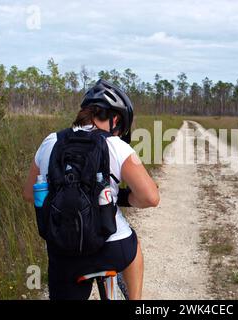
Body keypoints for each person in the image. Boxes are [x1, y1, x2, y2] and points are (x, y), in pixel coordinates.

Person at [22, 79, 159, 300]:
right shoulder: (117, 146)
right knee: (133, 247)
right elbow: (151, 198)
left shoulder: (50, 141)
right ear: (115, 119)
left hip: (64, 253)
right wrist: (124, 198)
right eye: (121, 126)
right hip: (113, 250)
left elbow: (29, 194)